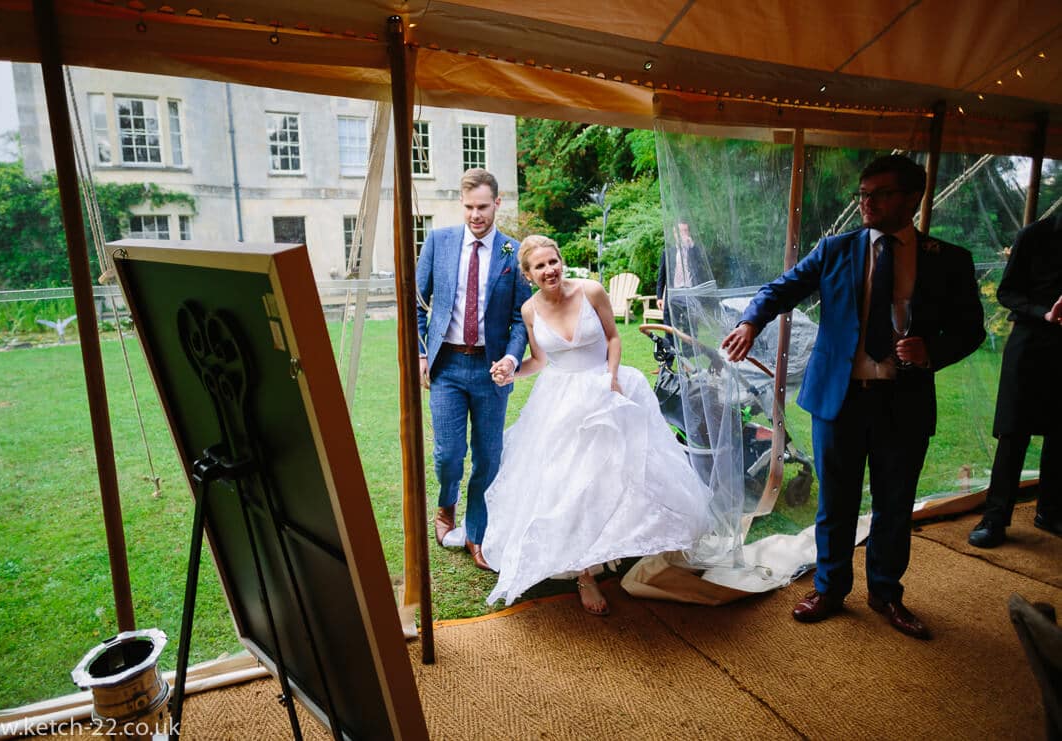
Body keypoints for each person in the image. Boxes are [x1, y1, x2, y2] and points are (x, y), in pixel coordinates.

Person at [720, 154, 985, 640]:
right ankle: (830, 587)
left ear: (911, 198)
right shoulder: (836, 249)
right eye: (862, 194)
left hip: (903, 401)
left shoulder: (947, 261)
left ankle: (886, 592)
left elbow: (971, 330)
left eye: (879, 194)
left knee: (894, 503)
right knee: (835, 503)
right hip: (838, 400)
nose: (866, 203)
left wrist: (932, 350)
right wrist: (750, 321)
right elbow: (782, 288)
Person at [483, 236, 712, 616]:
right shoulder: (529, 310)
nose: (549, 270)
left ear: (561, 261)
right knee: (570, 482)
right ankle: (585, 573)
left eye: (553, 261)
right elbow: (540, 360)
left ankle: (635, 544)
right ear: (528, 275)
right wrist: (512, 372)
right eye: (539, 266)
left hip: (608, 387)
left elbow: (612, 337)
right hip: (560, 400)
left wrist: (612, 378)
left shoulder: (591, 290)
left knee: (628, 472)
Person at [415, 168, 533, 570]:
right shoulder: (438, 242)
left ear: (497, 204)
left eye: (483, 207)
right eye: (468, 207)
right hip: (446, 366)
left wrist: (513, 359)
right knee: (449, 453)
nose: (475, 215)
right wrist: (420, 354)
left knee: (489, 456)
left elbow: (521, 317)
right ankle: (446, 505)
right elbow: (416, 301)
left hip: (492, 372)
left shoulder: (511, 253)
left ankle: (478, 534)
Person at [968, 213, 1062, 548]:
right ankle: (995, 518)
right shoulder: (1034, 236)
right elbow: (1006, 292)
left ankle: (1050, 511)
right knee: (1013, 432)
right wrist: (1045, 312)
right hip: (1031, 345)